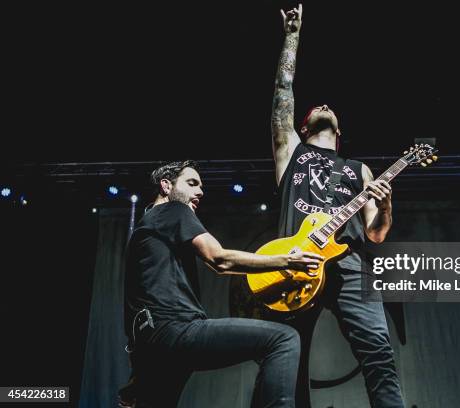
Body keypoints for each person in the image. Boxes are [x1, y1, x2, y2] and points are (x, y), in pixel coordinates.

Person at [269, 4, 405, 407]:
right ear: (305, 126)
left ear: (339, 130)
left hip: (350, 262)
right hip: (297, 259)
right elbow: (283, 92)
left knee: (378, 352)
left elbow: (376, 234)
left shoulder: (360, 169)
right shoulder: (290, 149)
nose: (323, 102)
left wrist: (387, 204)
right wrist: (291, 36)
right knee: (287, 359)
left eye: (330, 109)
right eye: (315, 110)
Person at [120, 160, 324, 408]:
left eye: (201, 186)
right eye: (192, 183)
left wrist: (139, 373)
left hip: (152, 346)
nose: (200, 192)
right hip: (176, 330)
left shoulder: (144, 229)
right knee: (283, 339)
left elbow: (133, 306)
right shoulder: (174, 209)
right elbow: (219, 259)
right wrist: (288, 261)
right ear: (166, 186)